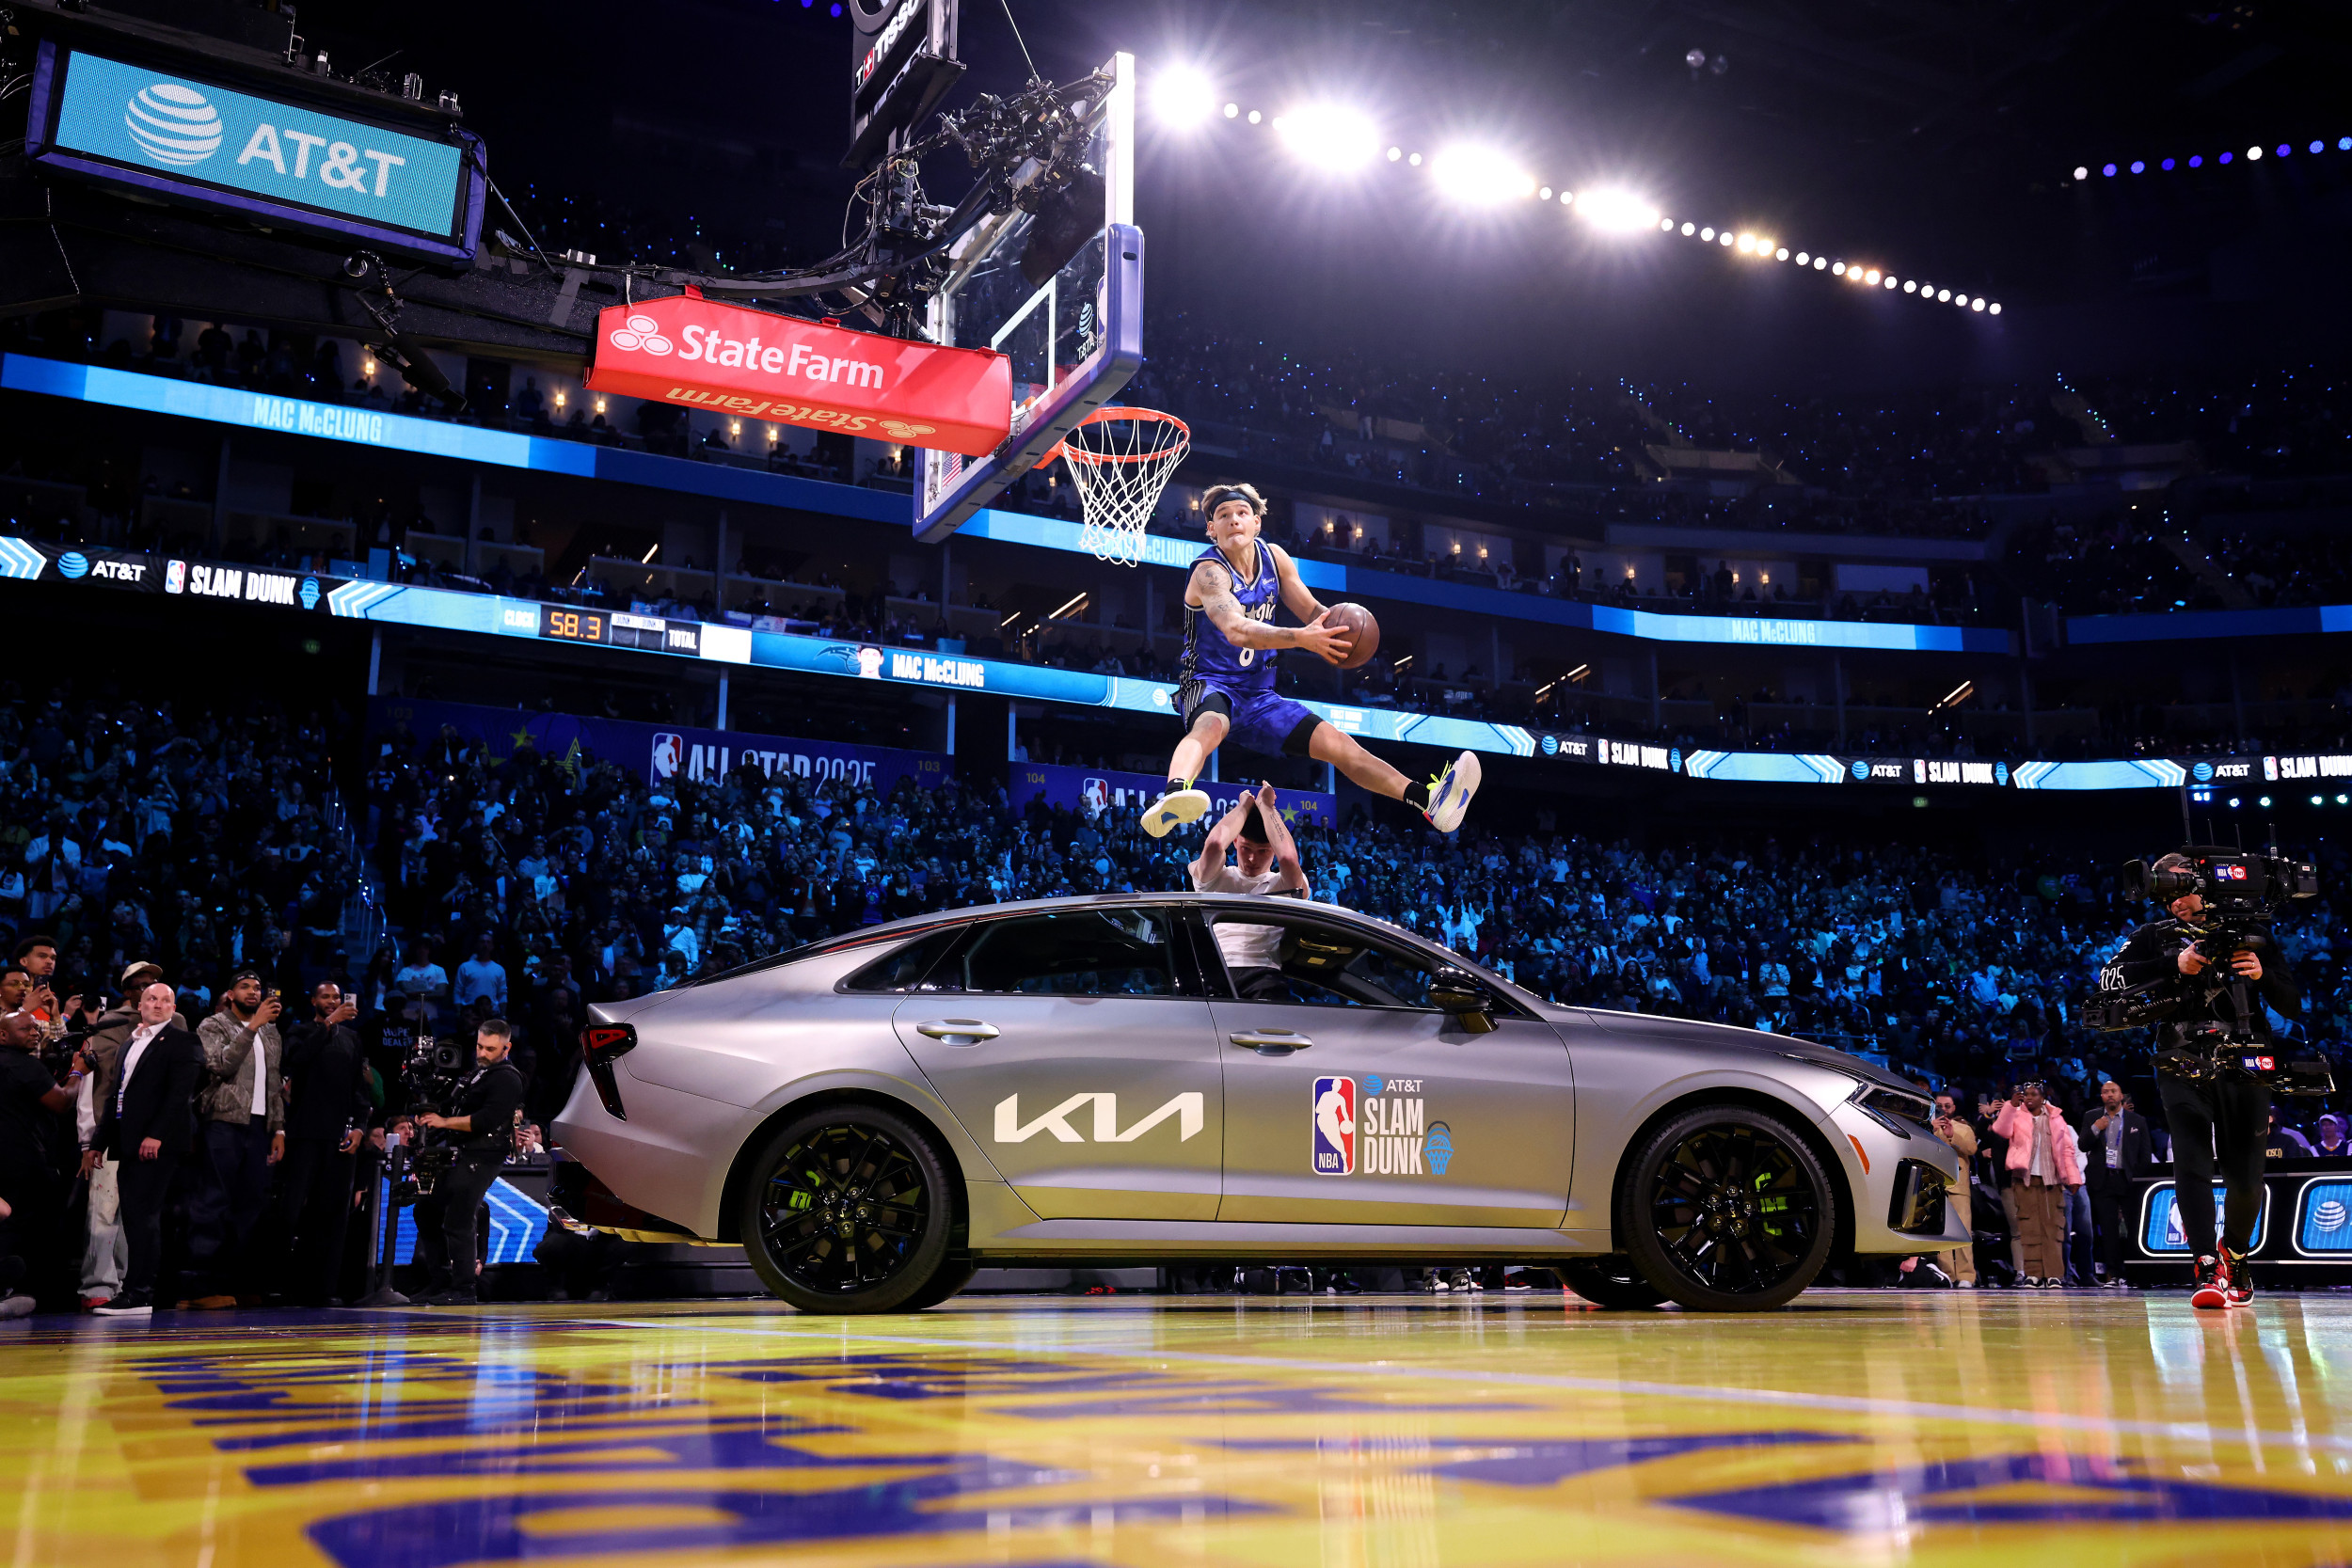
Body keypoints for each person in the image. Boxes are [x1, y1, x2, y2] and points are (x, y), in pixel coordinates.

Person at [1140, 483, 1479, 839]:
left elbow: (1314, 613)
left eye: (1241, 514)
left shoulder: (1275, 558)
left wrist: (1341, 634)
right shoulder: (1209, 572)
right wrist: (1303, 639)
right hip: (1210, 682)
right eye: (1223, 516)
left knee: (1340, 745)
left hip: (1259, 697)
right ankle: (1174, 795)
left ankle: (1429, 801)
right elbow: (1237, 630)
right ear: (1211, 529)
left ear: (1256, 523)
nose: (1233, 521)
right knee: (1211, 725)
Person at [2099, 851, 2301, 1310]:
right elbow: (2108, 980)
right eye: (2165, 895)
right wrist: (2175, 966)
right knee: (2190, 1162)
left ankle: (2235, 1252)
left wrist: (2263, 975)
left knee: (2247, 1177)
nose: (2173, 903)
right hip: (2180, 1056)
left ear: (2204, 883)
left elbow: (2292, 1005)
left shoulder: (2256, 933)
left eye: (2179, 889)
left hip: (2248, 1058)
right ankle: (2206, 1263)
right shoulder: (2151, 936)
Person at [73, 963, 181, 1310]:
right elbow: (104, 1086)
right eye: (143, 988)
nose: (151, 994)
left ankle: (127, 1286)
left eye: (157, 988)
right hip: (114, 1132)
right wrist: (92, 1140)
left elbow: (175, 1092)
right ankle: (98, 1286)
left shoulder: (175, 1030)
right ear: (131, 994)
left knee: (136, 1218)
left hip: (149, 1138)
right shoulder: (113, 1028)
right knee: (105, 1213)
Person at [91, 983, 202, 1317]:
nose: (158, 1004)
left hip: (156, 1144)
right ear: (139, 1005)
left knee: (145, 1216)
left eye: (166, 1000)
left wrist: (156, 1135)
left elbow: (179, 1094)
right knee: (134, 1216)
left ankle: (140, 1293)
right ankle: (135, 1290)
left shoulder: (184, 1041)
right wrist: (99, 1142)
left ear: (174, 1008)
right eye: (152, 999)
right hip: (127, 1140)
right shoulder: (130, 1043)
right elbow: (116, 1096)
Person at [186, 971, 285, 1308]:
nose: (253, 992)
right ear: (230, 994)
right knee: (213, 1203)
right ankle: (200, 1288)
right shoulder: (213, 1025)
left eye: (257, 988)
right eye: (245, 987)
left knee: (251, 1207)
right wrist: (252, 1026)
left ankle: (236, 1283)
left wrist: (279, 1129)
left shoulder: (272, 1032)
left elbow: (275, 1084)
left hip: (259, 1128)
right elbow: (222, 1065)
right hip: (223, 1124)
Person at [413, 1017, 525, 1305]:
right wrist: (428, 1111)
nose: (482, 1053)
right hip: (460, 1153)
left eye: (490, 1049)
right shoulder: (478, 1074)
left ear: (506, 1048)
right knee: (426, 1209)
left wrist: (443, 1121)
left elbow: (485, 1120)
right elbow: (454, 1104)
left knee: (459, 1218)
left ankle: (463, 1288)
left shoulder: (507, 1078)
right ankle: (440, 1282)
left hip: (484, 1155)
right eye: (479, 1046)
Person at [278, 982, 373, 1307]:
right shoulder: (299, 1031)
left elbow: (359, 1089)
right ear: (313, 1000)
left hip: (340, 1138)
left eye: (336, 997)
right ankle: (284, 1285)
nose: (332, 1001)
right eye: (326, 997)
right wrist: (329, 1024)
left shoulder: (352, 1039)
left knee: (333, 1214)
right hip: (304, 1134)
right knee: (292, 1211)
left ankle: (324, 1289)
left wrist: (360, 1127)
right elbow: (297, 1060)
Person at [0, 1006, 84, 1308]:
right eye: (25, 1029)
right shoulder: (24, 1065)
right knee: (33, 1229)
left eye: (36, 1028)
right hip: (25, 1162)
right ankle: (24, 1291)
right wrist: (77, 1073)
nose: (34, 1033)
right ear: (3, 1035)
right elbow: (61, 1103)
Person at [1190, 784, 1307, 996]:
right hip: (1213, 970)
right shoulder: (1216, 876)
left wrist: (1267, 807)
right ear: (1235, 841)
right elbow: (1216, 844)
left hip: (1264, 974)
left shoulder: (1281, 883)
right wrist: (1244, 805)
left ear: (1273, 850)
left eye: (1263, 851)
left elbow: (1288, 858)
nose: (1252, 859)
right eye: (1246, 848)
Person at [1992, 1081, 2081, 1288]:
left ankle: (2053, 1275)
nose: (2029, 1097)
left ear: (2043, 1097)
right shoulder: (2017, 1114)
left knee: (2053, 1228)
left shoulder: (2056, 1118)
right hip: (2025, 1178)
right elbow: (2001, 1130)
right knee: (2028, 1227)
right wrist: (2010, 1106)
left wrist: (2073, 1178)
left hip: (2052, 1179)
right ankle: (2032, 1274)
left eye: (2033, 1094)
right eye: (2026, 1094)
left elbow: (2067, 1149)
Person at [2078, 1079, 2156, 1288]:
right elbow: (2082, 1144)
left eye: (2114, 1091)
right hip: (2103, 1180)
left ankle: (2136, 1273)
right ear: (2102, 1096)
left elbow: (2145, 1154)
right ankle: (2114, 1274)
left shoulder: (2137, 1120)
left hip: (2128, 1181)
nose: (2110, 1094)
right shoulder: (2092, 1117)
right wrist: (2095, 1128)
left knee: (2134, 1229)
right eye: (2106, 1092)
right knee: (2109, 1230)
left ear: (2121, 1096)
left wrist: (2137, 1178)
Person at [1928, 1092, 1979, 1287]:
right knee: (1942, 1233)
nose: (1944, 1109)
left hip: (1959, 1186)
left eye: (1947, 1106)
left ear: (1954, 1108)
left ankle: (1966, 1275)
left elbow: (1972, 1149)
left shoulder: (1963, 1128)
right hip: (1936, 1184)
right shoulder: (1928, 1128)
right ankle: (1947, 1274)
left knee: (1963, 1232)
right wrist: (1930, 1130)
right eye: (1940, 1106)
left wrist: (1952, 1136)